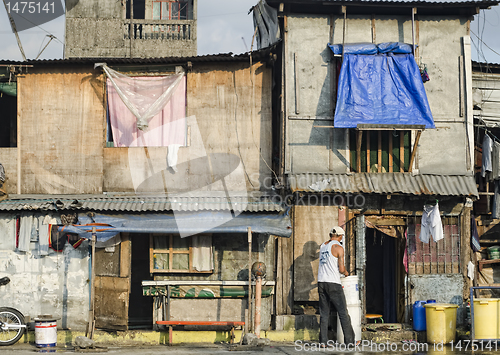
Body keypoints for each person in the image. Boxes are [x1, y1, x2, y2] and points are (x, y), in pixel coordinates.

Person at [317, 226, 355, 345]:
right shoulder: (339, 248)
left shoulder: (323, 247)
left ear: (330, 235)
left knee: (324, 313)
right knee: (343, 313)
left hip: (321, 282)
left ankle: (323, 341)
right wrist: (346, 272)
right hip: (333, 283)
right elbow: (341, 268)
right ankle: (350, 342)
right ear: (340, 236)